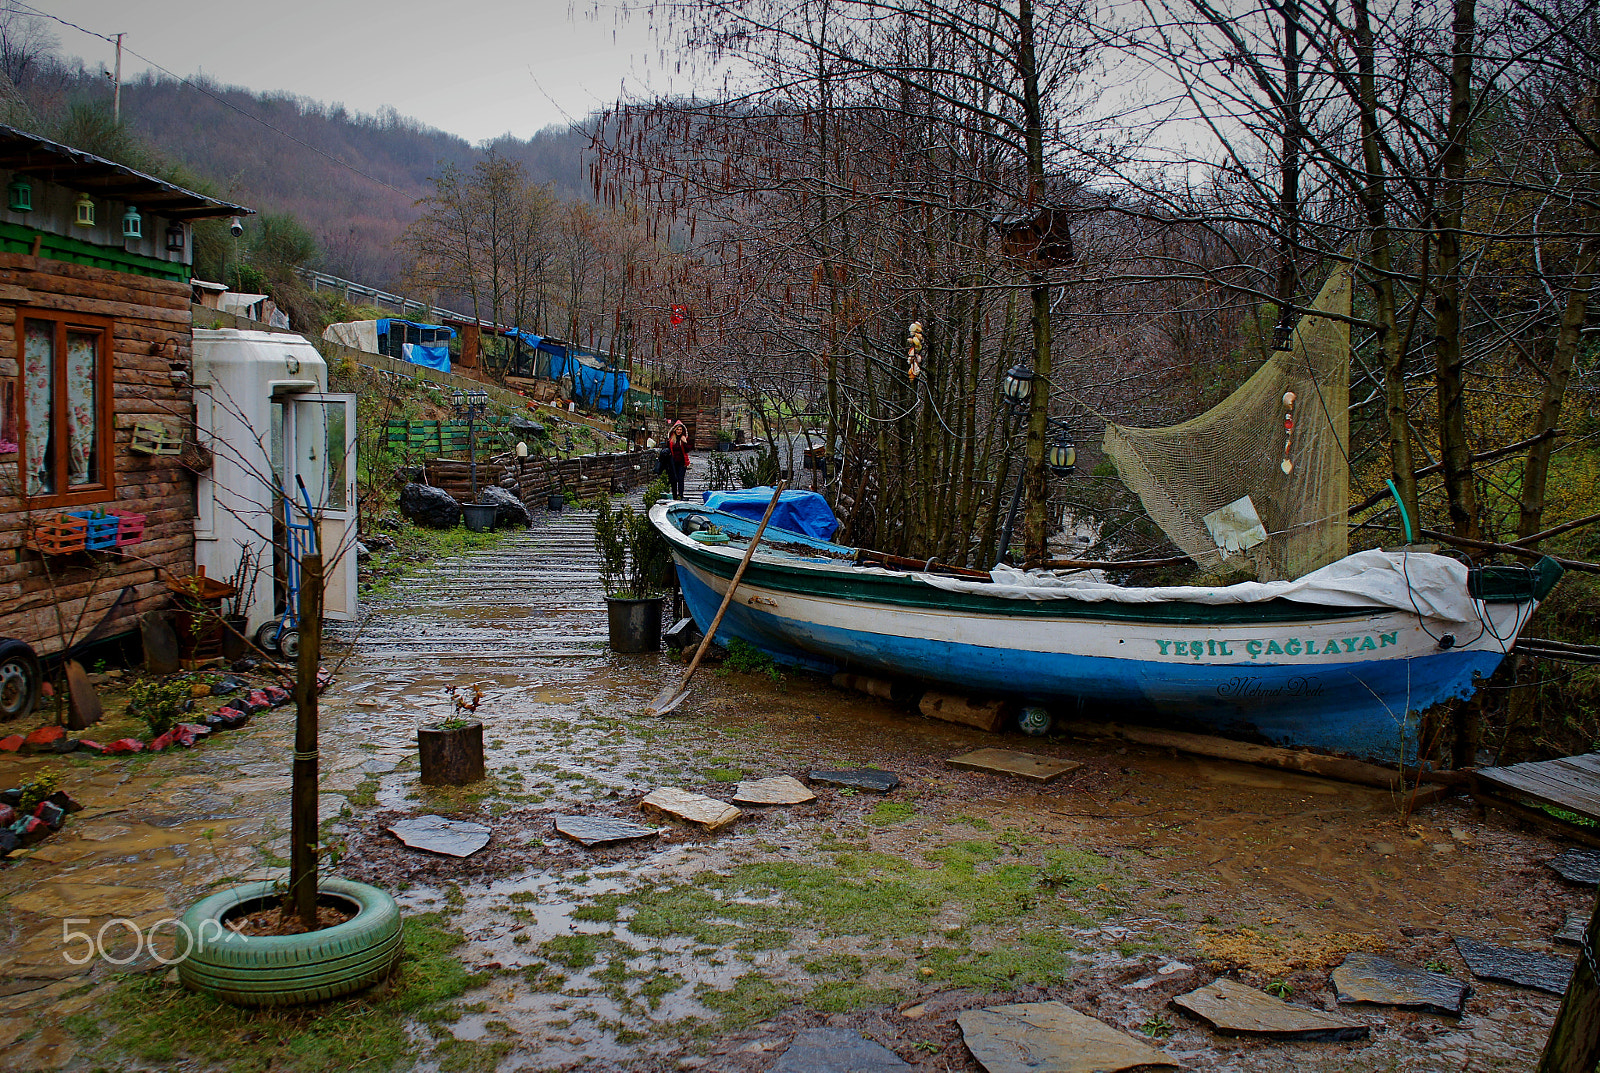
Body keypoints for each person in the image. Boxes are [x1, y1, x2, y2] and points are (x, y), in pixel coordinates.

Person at [665, 421, 691, 499]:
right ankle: (674, 495)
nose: (679, 431)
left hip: (682, 462)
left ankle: (681, 495)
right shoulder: (671, 440)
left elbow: (688, 450)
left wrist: (685, 442)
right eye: (678, 429)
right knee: (674, 479)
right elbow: (667, 449)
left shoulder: (684, 438)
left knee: (680, 479)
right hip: (673, 462)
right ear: (675, 430)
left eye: (680, 429)